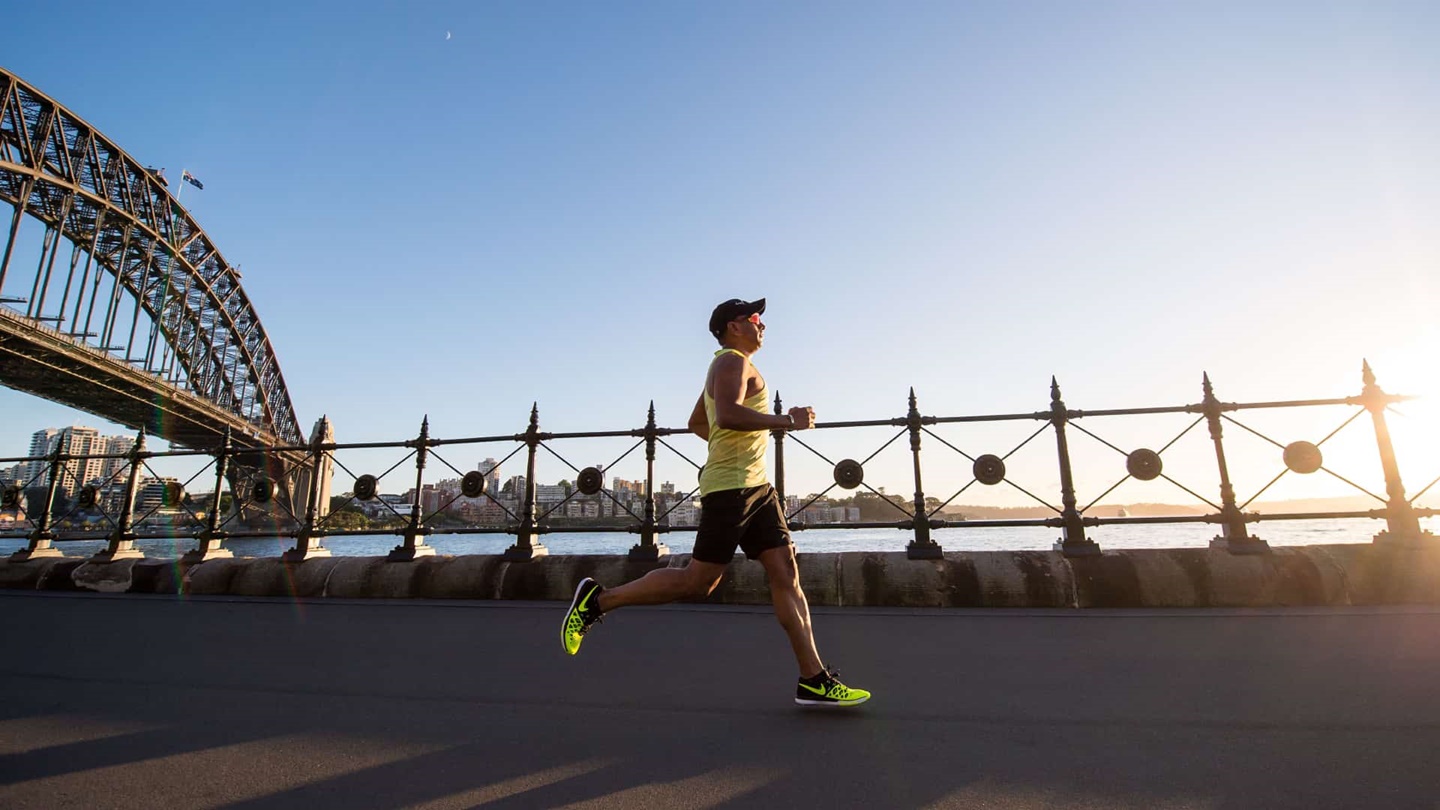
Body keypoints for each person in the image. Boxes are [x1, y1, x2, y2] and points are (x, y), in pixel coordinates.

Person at [561, 297, 870, 707]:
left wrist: (736, 449)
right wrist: (785, 422)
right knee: (698, 582)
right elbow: (725, 415)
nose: (762, 325)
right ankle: (597, 601)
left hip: (757, 487)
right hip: (732, 490)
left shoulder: (734, 364)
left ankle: (813, 678)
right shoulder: (731, 362)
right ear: (733, 325)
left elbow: (698, 423)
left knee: (786, 571)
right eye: (755, 318)